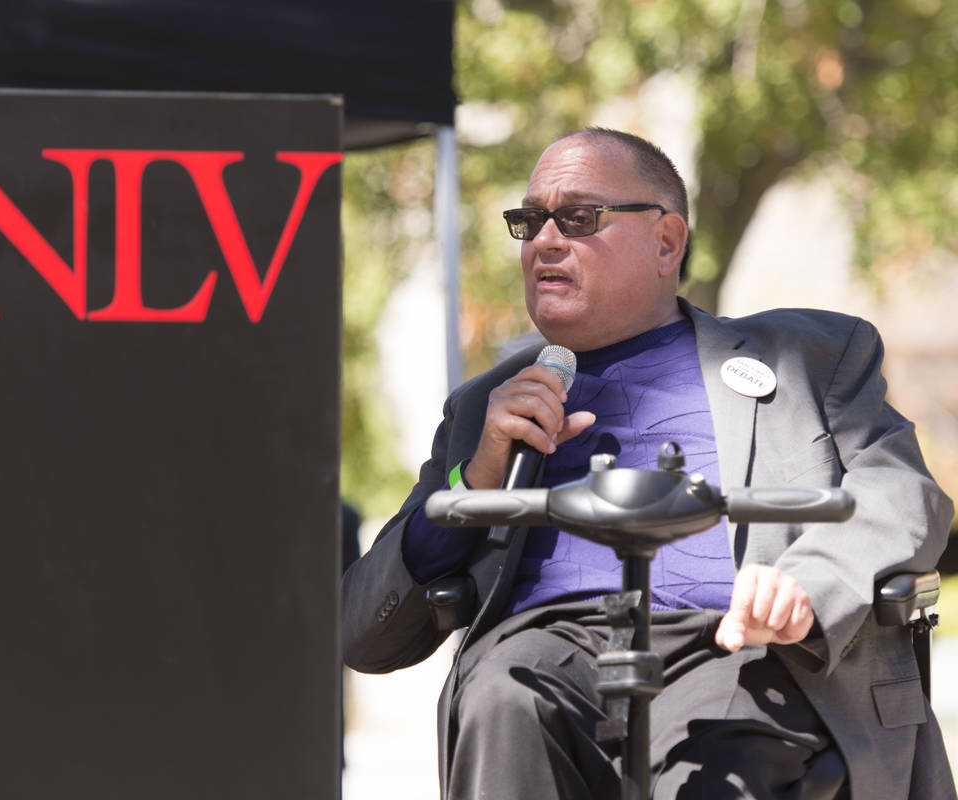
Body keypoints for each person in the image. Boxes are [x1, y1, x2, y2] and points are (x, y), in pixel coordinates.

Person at [341, 128, 956, 800]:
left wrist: (812, 583)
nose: (543, 242)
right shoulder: (485, 409)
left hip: (734, 647)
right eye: (529, 222)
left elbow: (902, 495)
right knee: (498, 695)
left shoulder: (807, 357)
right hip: (545, 647)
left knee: (712, 753)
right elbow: (361, 634)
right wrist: (478, 477)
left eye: (578, 218)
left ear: (667, 242)